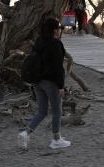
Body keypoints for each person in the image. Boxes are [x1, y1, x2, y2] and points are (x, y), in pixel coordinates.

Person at [18, 17, 71, 151]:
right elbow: (58, 68)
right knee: (57, 111)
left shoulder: (39, 41)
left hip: (38, 81)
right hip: (51, 82)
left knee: (41, 111)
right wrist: (61, 86)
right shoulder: (56, 44)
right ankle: (56, 139)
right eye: (59, 28)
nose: (60, 31)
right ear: (55, 30)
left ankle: (25, 133)